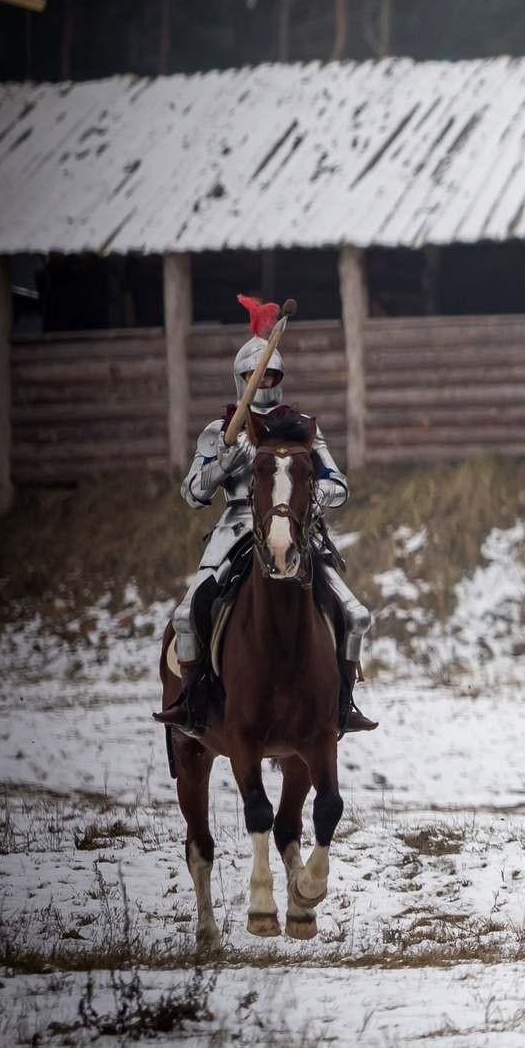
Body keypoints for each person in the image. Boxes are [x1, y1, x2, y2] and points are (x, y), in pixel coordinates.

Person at [154, 313, 376, 738]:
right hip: (235, 524)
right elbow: (193, 494)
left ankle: (342, 704)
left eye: (273, 376)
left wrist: (310, 494)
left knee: (355, 613)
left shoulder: (301, 427)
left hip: (295, 528)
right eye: (259, 376)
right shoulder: (221, 430)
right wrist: (225, 460)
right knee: (186, 616)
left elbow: (338, 484)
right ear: (242, 378)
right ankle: (192, 703)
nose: (267, 383)